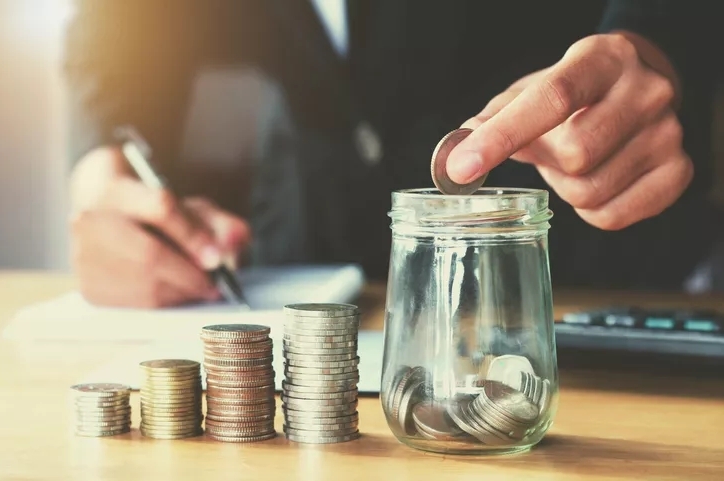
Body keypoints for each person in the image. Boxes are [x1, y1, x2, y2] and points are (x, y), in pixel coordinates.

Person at [63, 0, 722, 308]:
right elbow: (118, 31)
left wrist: (661, 51)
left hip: (581, 269)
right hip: (310, 246)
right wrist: (102, 160)